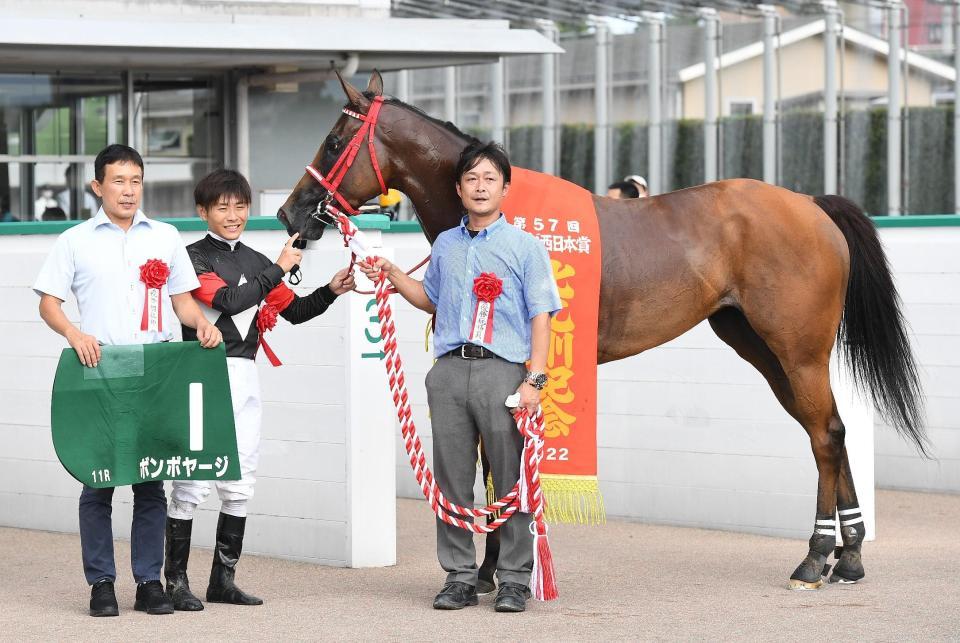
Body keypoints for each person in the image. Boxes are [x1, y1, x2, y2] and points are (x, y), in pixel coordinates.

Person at [359, 141, 560, 613]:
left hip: (504, 373)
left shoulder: (526, 247)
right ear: (459, 187)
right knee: (452, 478)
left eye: (490, 178)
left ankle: (513, 579)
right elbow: (430, 300)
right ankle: (459, 577)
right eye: (472, 178)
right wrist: (390, 273)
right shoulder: (446, 244)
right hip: (449, 372)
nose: (481, 186)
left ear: (506, 189)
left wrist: (537, 378)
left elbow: (541, 315)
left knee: (510, 479)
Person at [33, 144, 223, 618]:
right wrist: (74, 333)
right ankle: (101, 583)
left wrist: (199, 322)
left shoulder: (164, 235)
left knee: (150, 483)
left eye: (136, 180)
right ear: (98, 186)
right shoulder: (75, 240)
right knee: (96, 483)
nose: (128, 189)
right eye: (118, 181)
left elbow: (182, 300)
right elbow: (48, 302)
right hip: (99, 370)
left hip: (155, 372)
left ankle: (148, 582)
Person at [164, 169, 356, 611]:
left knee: (240, 478)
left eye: (240, 206)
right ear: (203, 212)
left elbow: (296, 311)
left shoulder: (255, 261)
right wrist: (279, 268)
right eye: (222, 207)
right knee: (192, 478)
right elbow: (229, 302)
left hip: (244, 375)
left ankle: (222, 581)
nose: (233, 215)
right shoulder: (191, 258)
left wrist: (331, 289)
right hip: (201, 373)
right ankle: (176, 582)